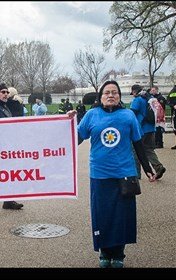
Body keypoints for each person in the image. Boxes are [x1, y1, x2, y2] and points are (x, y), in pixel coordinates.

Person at [67, 80, 155, 268]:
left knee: (122, 215)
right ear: (100, 96)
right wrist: (68, 121)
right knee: (103, 214)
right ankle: (104, 251)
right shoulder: (91, 115)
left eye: (115, 92)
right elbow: (76, 138)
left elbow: (139, 144)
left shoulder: (128, 116)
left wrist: (148, 169)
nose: (111, 95)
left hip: (124, 174)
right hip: (99, 174)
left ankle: (119, 254)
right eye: (107, 92)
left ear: (120, 97)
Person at [0, 83, 24, 210]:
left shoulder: (4, 106)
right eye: (3, 92)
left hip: (6, 145)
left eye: (7, 92)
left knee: (8, 173)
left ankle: (8, 199)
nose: (6, 94)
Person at [130, 84, 166, 179]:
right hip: (151, 128)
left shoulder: (138, 99)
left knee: (136, 149)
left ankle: (136, 174)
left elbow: (132, 114)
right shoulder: (151, 98)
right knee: (148, 149)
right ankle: (158, 167)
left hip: (141, 129)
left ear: (134, 91)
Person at [166, 85, 176, 150]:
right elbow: (168, 101)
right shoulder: (173, 90)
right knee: (175, 128)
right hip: (175, 112)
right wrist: (173, 106)